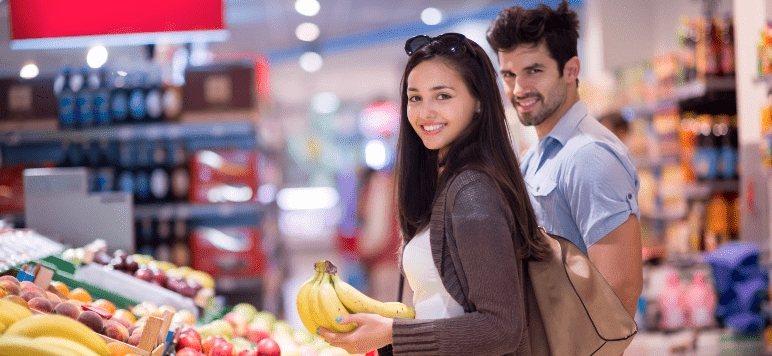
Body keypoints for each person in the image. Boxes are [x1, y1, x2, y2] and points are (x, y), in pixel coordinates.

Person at [318, 33, 551, 355]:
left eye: (442, 96)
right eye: (415, 98)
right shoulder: (447, 181)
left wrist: (394, 334)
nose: (425, 112)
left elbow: (502, 328)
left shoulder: (472, 192)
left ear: (479, 101)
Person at [486, 0, 643, 318]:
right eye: (508, 74)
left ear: (571, 70)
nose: (518, 88)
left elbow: (621, 293)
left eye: (533, 71)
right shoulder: (540, 154)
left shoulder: (590, 158)